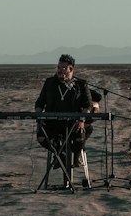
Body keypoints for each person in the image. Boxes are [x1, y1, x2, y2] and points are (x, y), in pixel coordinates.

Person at [34, 53, 95, 188]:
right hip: (53, 123)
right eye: (59, 67)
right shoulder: (50, 83)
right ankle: (59, 155)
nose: (60, 71)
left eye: (64, 68)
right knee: (40, 137)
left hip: (73, 123)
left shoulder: (80, 84)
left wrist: (82, 119)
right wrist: (39, 116)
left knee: (84, 131)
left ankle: (76, 153)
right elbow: (39, 103)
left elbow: (88, 105)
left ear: (71, 69)